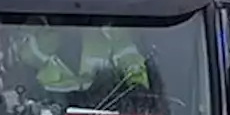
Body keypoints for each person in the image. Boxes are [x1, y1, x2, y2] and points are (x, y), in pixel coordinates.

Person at [18, 20, 150, 93]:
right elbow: (25, 59)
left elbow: (131, 61)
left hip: (102, 112)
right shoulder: (40, 39)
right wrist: (47, 35)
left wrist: (138, 89)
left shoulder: (108, 36)